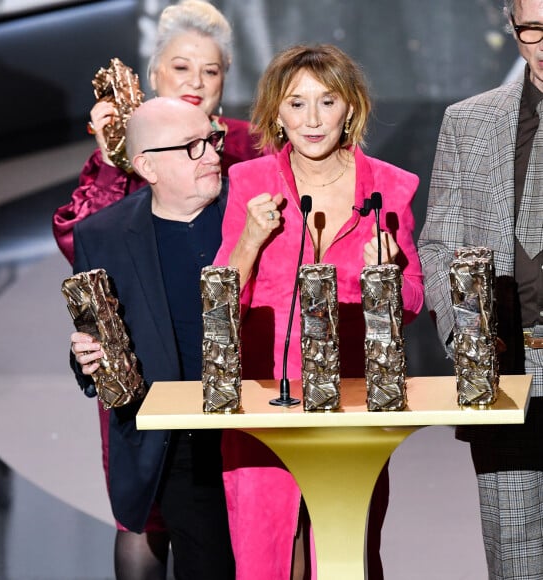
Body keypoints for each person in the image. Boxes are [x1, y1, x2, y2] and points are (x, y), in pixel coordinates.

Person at [214, 43, 424, 579]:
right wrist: (249, 242)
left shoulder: (389, 189)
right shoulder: (249, 184)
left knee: (345, 558)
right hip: (266, 405)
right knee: (267, 559)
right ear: (276, 114)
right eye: (296, 103)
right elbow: (219, 304)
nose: (312, 120)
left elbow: (413, 304)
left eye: (327, 102)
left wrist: (389, 274)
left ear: (350, 108)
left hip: (354, 404)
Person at [68, 97, 235, 580]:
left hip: (261, 425)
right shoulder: (104, 235)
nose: (212, 154)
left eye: (212, 139)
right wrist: (85, 357)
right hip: (177, 439)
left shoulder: (253, 212)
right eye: (192, 146)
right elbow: (95, 339)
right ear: (147, 166)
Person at [418, 1, 543, 577]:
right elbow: (439, 244)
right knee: (516, 562)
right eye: (534, 28)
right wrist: (471, 342)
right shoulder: (468, 121)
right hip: (503, 379)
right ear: (512, 26)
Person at [53, 0, 260, 265]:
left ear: (223, 79)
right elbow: (84, 249)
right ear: (153, 74)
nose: (196, 82)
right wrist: (110, 161)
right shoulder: (126, 157)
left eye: (210, 71)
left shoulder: (252, 144)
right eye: (181, 67)